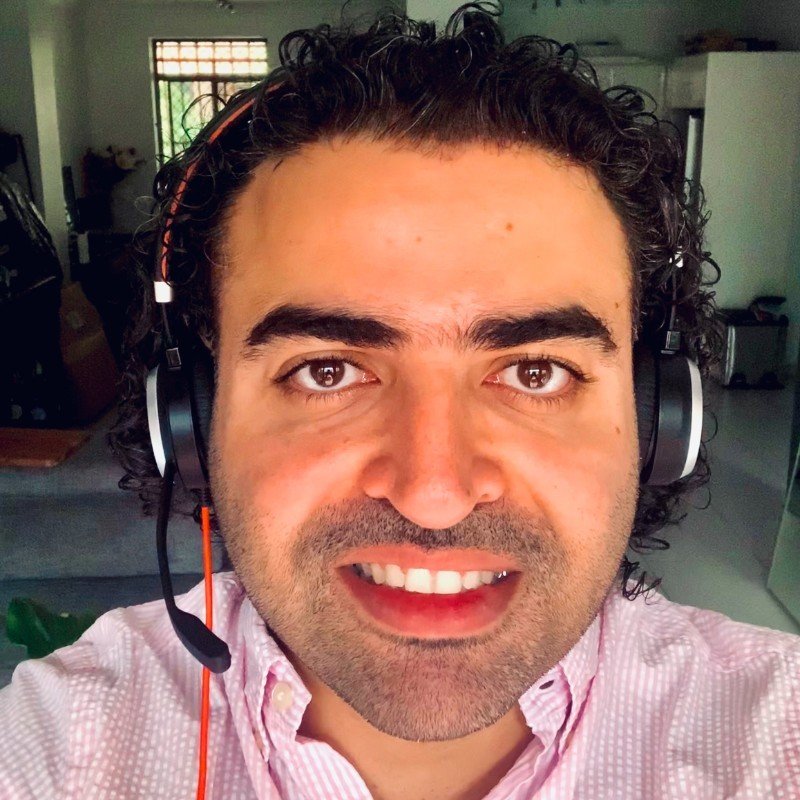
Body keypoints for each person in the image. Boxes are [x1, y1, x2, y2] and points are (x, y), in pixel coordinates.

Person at [1, 4, 798, 798]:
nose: (434, 494)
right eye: (327, 372)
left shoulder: (775, 739)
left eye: (533, 373)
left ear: (661, 422)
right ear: (193, 426)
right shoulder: (58, 749)